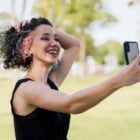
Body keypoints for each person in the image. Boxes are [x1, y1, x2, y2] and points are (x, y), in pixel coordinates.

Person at [0, 17, 140, 140]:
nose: (54, 43)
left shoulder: (51, 82)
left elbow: (74, 45)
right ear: (27, 47)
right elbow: (72, 105)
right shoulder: (26, 89)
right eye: (45, 38)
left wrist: (43, 26)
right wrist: (121, 79)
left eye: (56, 38)